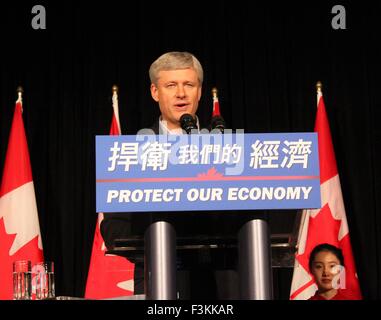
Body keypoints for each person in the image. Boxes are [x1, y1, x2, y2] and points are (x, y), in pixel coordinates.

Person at [101, 52, 222, 298]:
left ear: (199, 91)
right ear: (155, 92)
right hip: (154, 276)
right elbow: (113, 227)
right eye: (171, 85)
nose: (181, 93)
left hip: (216, 279)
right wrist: (160, 235)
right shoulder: (130, 153)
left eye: (189, 84)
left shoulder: (226, 146)